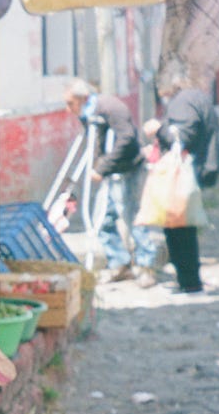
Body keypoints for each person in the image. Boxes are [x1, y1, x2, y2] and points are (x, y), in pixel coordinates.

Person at [62, 79, 159, 286]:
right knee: (102, 219)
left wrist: (102, 167)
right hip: (110, 173)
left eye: (71, 103)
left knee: (132, 216)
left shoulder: (111, 108)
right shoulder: (88, 114)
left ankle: (146, 266)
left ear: (83, 99)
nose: (68, 109)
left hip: (128, 169)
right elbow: (96, 141)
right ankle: (120, 264)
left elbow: (127, 138)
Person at [143, 75, 219, 294]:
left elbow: (182, 136)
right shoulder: (195, 98)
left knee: (179, 229)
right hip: (195, 169)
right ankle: (188, 280)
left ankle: (189, 282)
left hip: (184, 174)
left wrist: (158, 129)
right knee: (182, 227)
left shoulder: (183, 102)